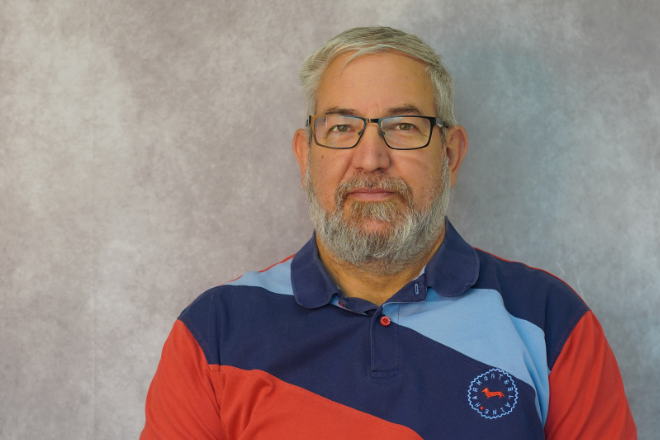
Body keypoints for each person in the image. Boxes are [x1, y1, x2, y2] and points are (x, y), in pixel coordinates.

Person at [141, 27, 636, 439]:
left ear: (450, 155)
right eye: (341, 127)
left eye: (402, 126)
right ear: (305, 156)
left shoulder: (551, 323)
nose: (371, 157)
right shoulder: (213, 334)